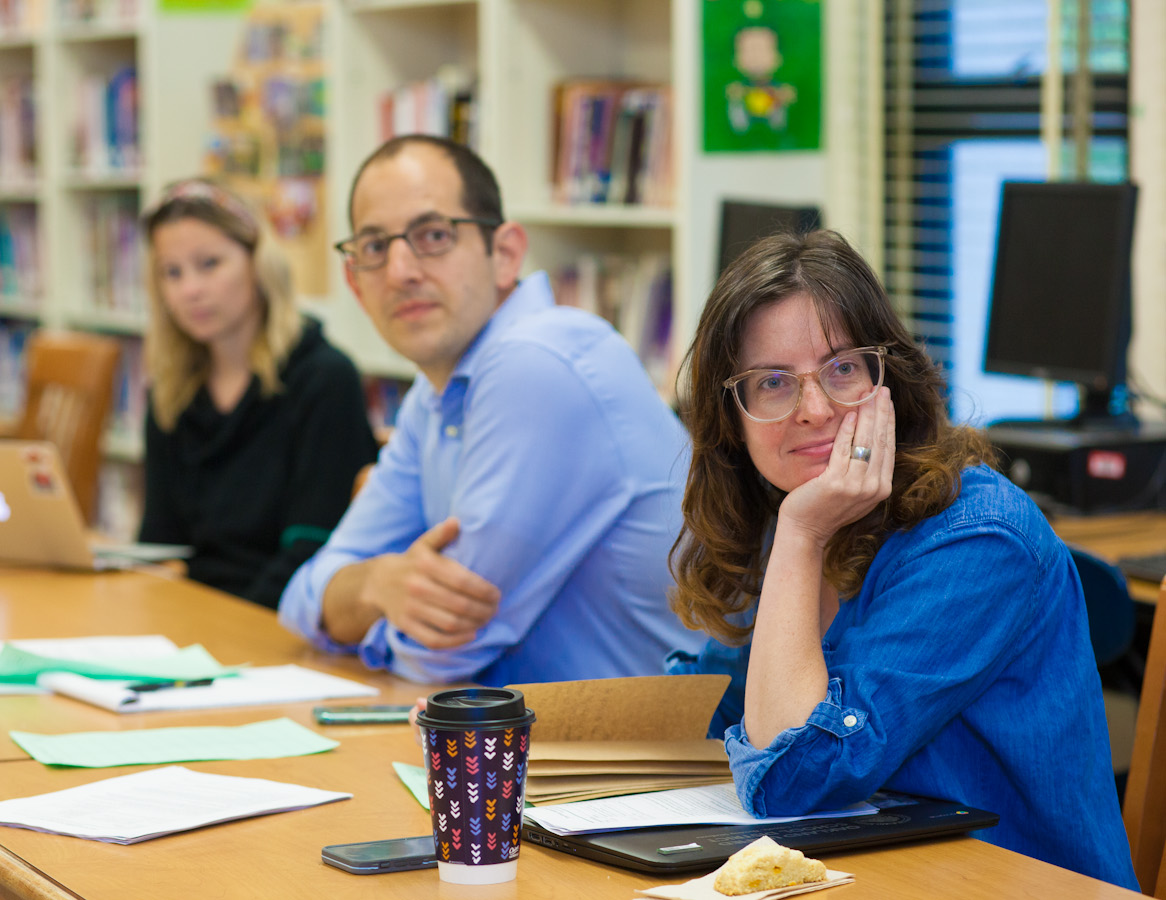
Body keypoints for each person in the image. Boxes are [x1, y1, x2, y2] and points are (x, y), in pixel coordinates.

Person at [666, 229, 1137, 889]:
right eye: (772, 382)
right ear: (732, 414)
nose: (815, 409)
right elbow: (719, 714)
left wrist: (802, 537)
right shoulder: (796, 503)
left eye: (842, 369)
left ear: (888, 377)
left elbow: (796, 780)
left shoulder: (974, 539)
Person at [278, 135, 704, 685]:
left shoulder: (536, 361)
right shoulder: (434, 394)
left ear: (504, 253)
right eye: (375, 247)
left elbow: (444, 650)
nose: (401, 270)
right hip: (549, 752)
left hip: (668, 763)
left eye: (433, 235)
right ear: (355, 283)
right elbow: (304, 597)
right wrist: (376, 584)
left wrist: (364, 617)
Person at [138, 178, 377, 610]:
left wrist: (225, 630)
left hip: (279, 622)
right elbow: (158, 543)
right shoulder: (171, 391)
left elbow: (315, 549)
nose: (190, 289)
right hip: (191, 621)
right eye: (171, 273)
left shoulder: (325, 379)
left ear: (257, 264)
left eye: (209, 264)